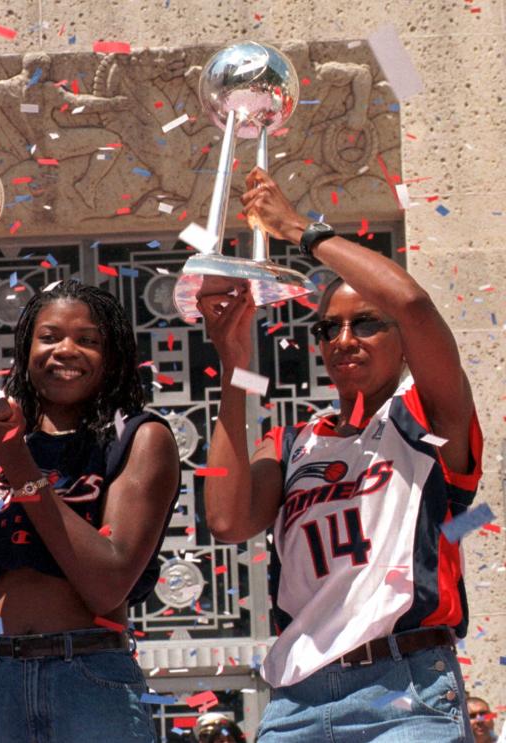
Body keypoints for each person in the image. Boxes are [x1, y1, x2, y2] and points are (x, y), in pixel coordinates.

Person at [198, 168, 483, 742]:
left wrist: (300, 228)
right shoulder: (294, 440)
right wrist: (235, 363)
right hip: (298, 700)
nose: (344, 340)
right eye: (329, 328)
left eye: (366, 324)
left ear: (402, 341)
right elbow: (228, 521)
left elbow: (413, 303)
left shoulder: (426, 418)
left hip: (408, 693)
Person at [0, 280, 181, 743]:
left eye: (88, 340)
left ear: (115, 355)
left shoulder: (140, 439)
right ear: (25, 350)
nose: (66, 350)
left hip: (88, 679)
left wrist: (15, 458)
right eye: (49, 337)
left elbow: (107, 584)